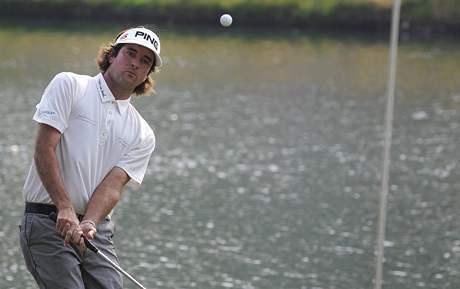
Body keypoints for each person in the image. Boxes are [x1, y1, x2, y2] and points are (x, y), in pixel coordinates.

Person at [19, 26, 162, 289]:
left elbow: (112, 187)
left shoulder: (143, 133)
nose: (135, 63)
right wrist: (64, 206)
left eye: (145, 61)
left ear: (147, 75)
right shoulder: (70, 85)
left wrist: (88, 222)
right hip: (47, 220)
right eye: (130, 53)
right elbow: (44, 149)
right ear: (111, 56)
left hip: (95, 230)